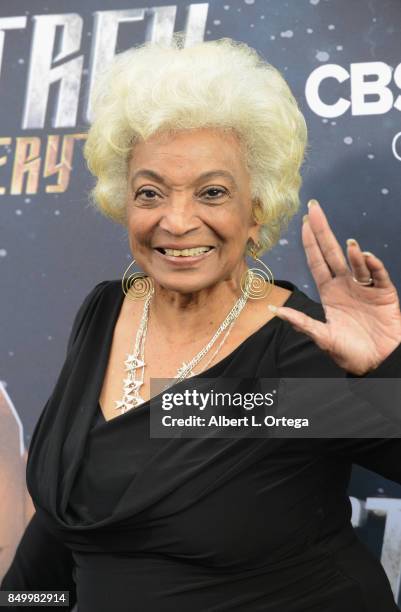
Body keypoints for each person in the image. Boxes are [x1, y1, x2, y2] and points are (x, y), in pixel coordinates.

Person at [2, 34, 401, 612]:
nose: (178, 220)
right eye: (151, 192)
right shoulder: (106, 311)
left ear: (256, 210)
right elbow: (69, 523)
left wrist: (387, 369)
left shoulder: (298, 347)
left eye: (212, 192)